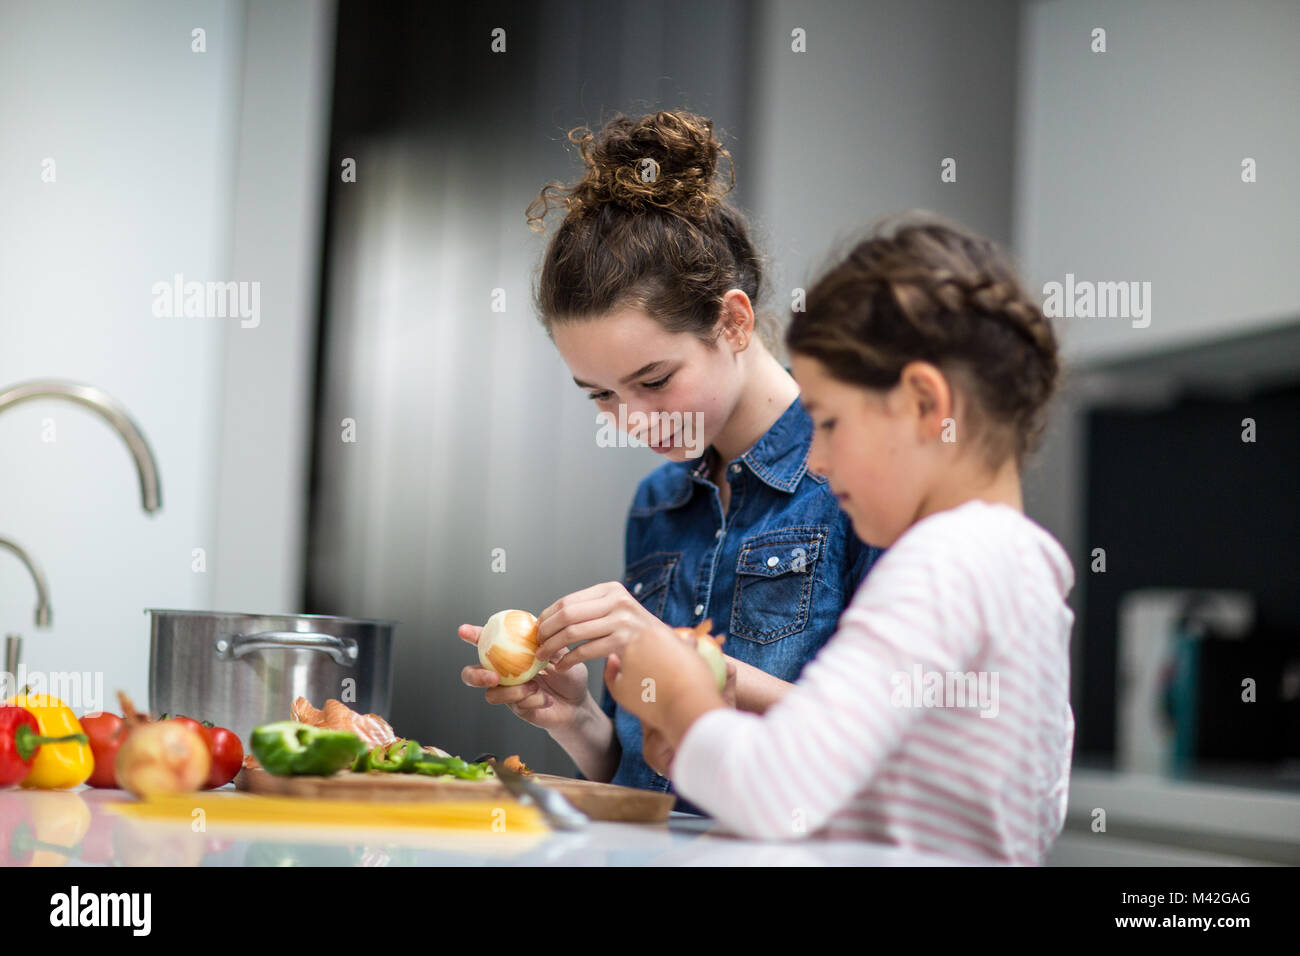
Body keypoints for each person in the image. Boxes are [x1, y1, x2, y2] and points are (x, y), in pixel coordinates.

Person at [604, 213, 1075, 864]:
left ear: (921, 404)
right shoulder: (1019, 572)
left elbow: (779, 790)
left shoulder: (945, 563)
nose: (817, 461)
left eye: (828, 422)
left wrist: (685, 702)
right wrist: (698, 743)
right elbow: (858, 797)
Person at [458, 110, 881, 811]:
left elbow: (874, 742)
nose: (632, 420)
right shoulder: (658, 503)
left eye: (654, 381)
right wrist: (580, 719)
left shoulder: (857, 481)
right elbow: (653, 784)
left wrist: (675, 657)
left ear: (733, 323)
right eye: (599, 394)